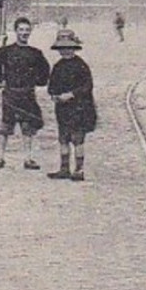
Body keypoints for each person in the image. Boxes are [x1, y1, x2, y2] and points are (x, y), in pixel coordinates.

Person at [0, 16, 51, 170]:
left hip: (27, 93)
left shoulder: (36, 53)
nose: (24, 33)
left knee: (28, 127)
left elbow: (45, 72)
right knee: (5, 126)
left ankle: (28, 159)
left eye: (27, 30)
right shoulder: (6, 51)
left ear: (30, 32)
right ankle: (0, 157)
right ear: (16, 31)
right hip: (11, 93)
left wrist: (37, 81)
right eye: (21, 30)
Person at [46, 28, 96, 180]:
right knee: (63, 139)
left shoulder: (81, 65)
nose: (65, 51)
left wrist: (71, 94)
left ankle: (79, 170)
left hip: (80, 108)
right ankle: (64, 168)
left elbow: (88, 86)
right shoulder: (58, 66)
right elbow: (51, 85)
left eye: (68, 47)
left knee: (77, 139)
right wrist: (54, 95)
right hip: (63, 109)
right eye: (62, 48)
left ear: (74, 47)